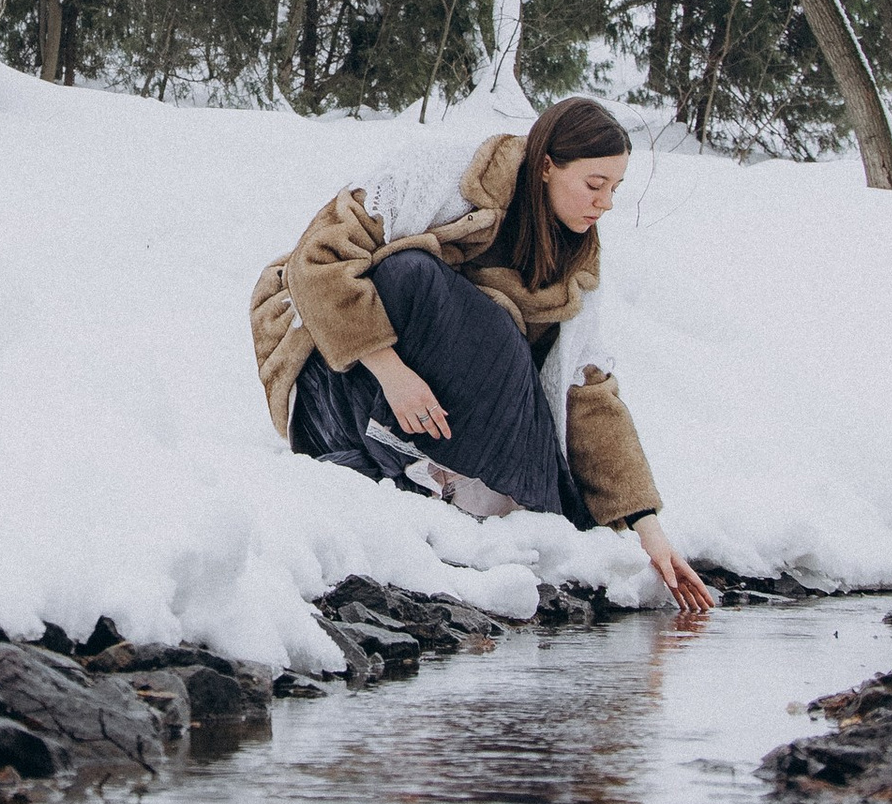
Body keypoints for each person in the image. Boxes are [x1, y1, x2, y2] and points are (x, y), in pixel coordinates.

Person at [250, 94, 713, 616]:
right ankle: (419, 475)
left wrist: (646, 525)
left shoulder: (577, 261)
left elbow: (587, 389)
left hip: (466, 431)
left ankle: (458, 497)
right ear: (545, 167)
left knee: (502, 337)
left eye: (615, 189)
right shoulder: (447, 176)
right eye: (594, 185)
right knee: (412, 274)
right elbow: (317, 261)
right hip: (337, 389)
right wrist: (391, 371)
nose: (604, 203)